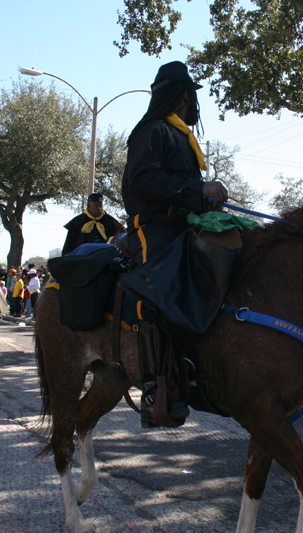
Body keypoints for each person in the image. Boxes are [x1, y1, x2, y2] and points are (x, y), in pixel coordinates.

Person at [122, 60, 228, 428]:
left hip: (187, 224)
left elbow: (185, 190)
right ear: (185, 95)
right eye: (192, 96)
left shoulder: (182, 135)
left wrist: (209, 198)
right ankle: (154, 388)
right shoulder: (152, 131)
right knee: (159, 291)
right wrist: (199, 188)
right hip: (153, 226)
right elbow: (143, 181)